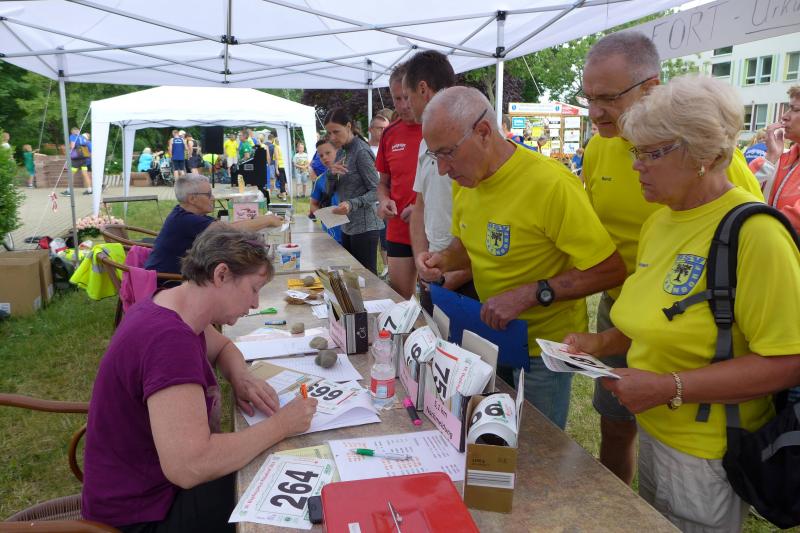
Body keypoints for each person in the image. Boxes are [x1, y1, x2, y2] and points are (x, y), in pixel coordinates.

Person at [565, 74, 800, 532]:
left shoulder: (756, 234)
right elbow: (657, 317)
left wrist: (668, 387)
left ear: (704, 154)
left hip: (707, 453)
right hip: (657, 431)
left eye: (652, 153)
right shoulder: (661, 221)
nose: (638, 166)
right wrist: (599, 343)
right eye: (636, 151)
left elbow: (789, 361)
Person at [580, 31, 765, 485]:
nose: (595, 112)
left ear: (651, 87)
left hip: (692, 318)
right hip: (626, 307)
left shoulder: (717, 166)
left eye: (607, 98)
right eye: (588, 98)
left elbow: (744, 242)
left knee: (676, 439)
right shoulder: (599, 148)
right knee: (617, 423)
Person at [82, 226, 318, 531]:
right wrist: (282, 425)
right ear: (221, 275)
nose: (255, 304)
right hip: (144, 516)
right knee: (288, 490)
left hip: (146, 492)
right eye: (253, 289)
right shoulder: (169, 341)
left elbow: (223, 347)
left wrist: (240, 376)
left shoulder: (173, 305)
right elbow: (190, 465)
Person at [421, 87, 626, 429]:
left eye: (448, 153)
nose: (442, 169)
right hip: (489, 336)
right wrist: (442, 260)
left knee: (536, 445)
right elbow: (469, 243)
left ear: (483, 132)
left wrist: (531, 293)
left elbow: (609, 270)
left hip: (543, 350)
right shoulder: (467, 179)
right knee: (490, 435)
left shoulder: (550, 184)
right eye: (434, 155)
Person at [403, 50, 477, 316]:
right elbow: (420, 206)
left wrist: (460, 273)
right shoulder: (426, 141)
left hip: (470, 279)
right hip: (437, 275)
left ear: (423, 89)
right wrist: (422, 260)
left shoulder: (471, 136)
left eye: (407, 97)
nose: (405, 106)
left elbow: (494, 220)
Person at [145, 174, 284, 276]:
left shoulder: (185, 214)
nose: (213, 198)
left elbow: (225, 226)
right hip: (167, 282)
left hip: (178, 275)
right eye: (208, 194)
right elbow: (230, 230)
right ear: (192, 199)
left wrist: (262, 219)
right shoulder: (187, 220)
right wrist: (268, 220)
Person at [376, 64, 420, 299]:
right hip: (399, 229)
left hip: (433, 230)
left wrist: (422, 210)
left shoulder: (438, 127)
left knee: (434, 305)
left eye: (406, 97)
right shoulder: (390, 133)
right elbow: (383, 182)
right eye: (396, 99)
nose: (403, 105)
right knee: (400, 299)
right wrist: (383, 201)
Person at [323, 108, 384, 274]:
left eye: (336, 132)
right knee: (351, 277)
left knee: (366, 278)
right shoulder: (342, 151)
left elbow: (377, 190)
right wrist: (330, 174)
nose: (332, 137)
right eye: (329, 133)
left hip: (365, 227)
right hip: (347, 226)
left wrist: (352, 204)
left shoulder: (361, 151)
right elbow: (329, 191)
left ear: (348, 126)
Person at [368, 114, 391, 276]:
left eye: (386, 128)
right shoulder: (365, 149)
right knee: (374, 237)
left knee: (386, 235)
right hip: (369, 200)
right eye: (379, 128)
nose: (383, 131)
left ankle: (388, 266)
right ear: (371, 129)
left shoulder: (390, 146)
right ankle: (384, 266)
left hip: (387, 197)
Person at [309, 139, 343, 243]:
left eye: (328, 153)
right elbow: (313, 204)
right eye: (321, 156)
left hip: (353, 233)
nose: (324, 157)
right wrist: (325, 217)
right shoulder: (320, 180)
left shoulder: (352, 175)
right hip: (331, 234)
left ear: (338, 151)